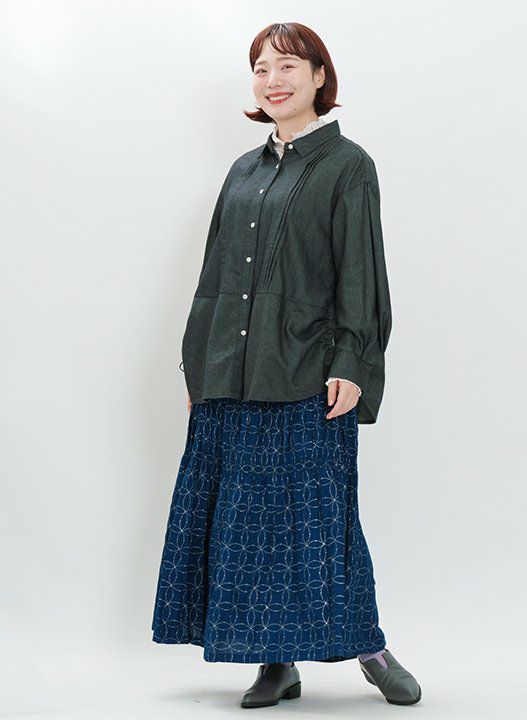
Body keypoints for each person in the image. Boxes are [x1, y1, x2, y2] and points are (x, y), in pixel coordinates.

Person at [151, 21, 422, 708]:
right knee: (245, 526)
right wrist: (199, 368)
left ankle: (370, 648)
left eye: (288, 67)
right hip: (232, 376)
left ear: (319, 77)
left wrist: (352, 362)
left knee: (321, 523)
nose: (273, 81)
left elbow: (361, 274)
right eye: (261, 69)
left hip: (307, 372)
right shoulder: (243, 171)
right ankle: (276, 664)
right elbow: (212, 279)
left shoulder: (347, 165)